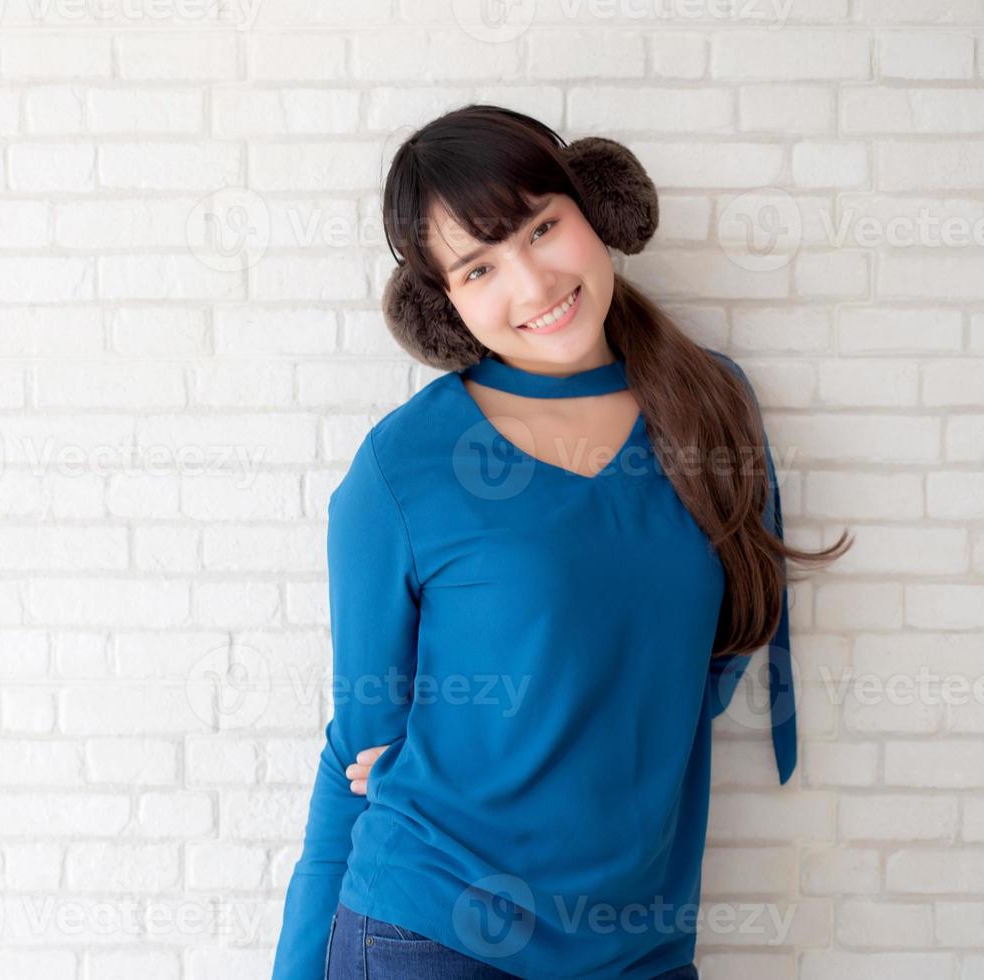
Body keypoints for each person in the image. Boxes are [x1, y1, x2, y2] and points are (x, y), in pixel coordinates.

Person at [269, 105, 854, 980]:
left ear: (600, 210)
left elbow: (725, 643)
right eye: (479, 267)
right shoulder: (404, 467)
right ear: (445, 305)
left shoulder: (711, 404)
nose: (534, 284)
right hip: (428, 934)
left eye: (544, 227)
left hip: (639, 947)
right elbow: (354, 745)